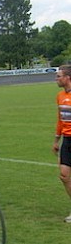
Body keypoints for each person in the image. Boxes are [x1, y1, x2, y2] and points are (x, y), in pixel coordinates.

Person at [53, 65, 71, 222]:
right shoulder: (59, 96)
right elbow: (60, 119)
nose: (56, 79)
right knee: (64, 175)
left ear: (67, 77)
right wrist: (56, 140)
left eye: (59, 76)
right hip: (67, 140)